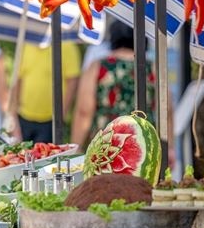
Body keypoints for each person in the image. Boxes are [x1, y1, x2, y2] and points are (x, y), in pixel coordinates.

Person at [71, 20, 159, 148]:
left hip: (106, 144)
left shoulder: (98, 66)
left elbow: (84, 110)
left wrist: (76, 146)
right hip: (144, 143)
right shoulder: (153, 68)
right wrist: (170, 148)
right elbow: (166, 109)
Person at [13, 41, 81, 144]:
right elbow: (18, 79)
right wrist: (14, 115)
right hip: (23, 117)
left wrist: (61, 116)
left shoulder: (67, 45)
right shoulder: (26, 43)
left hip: (51, 120)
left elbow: (72, 82)